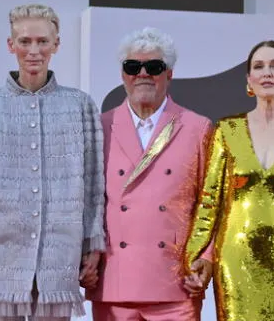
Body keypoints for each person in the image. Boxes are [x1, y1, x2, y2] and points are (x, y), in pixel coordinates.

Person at [0, 3, 106, 321]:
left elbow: (94, 179)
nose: (33, 50)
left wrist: (93, 243)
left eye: (42, 41)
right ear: (11, 45)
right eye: (25, 41)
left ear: (56, 45)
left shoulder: (80, 105)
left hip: (59, 254)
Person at [183, 40, 274, 321]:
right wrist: (194, 254)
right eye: (259, 67)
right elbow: (209, 199)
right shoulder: (227, 129)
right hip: (235, 259)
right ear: (249, 80)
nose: (267, 73)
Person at [84, 27, 212, 320]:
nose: (143, 73)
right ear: (122, 74)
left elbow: (211, 202)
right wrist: (84, 257)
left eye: (153, 67)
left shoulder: (196, 127)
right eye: (133, 66)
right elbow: (86, 201)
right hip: (115, 281)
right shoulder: (99, 126)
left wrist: (206, 259)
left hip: (177, 282)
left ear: (169, 74)